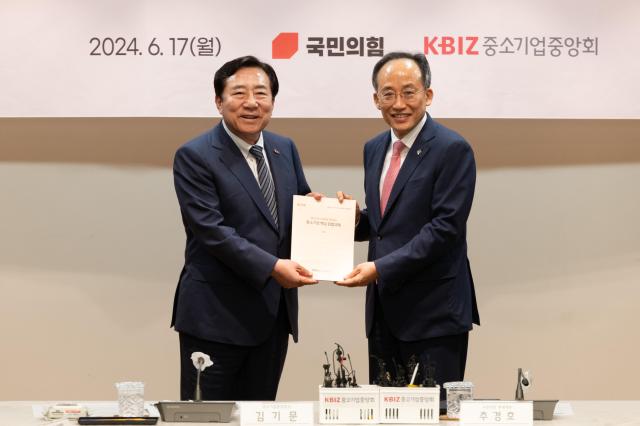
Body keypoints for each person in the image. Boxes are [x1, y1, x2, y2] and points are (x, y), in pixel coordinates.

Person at [171, 55, 317, 401]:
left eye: (261, 93)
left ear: (273, 102)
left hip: (272, 317)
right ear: (219, 101)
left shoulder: (284, 148)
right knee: (207, 420)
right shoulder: (195, 155)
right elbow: (212, 230)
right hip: (215, 318)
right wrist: (272, 266)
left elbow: (296, 209)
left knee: (260, 415)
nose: (251, 103)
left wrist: (327, 212)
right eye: (239, 93)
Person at [336, 52, 480, 396]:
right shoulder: (374, 148)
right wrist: (355, 218)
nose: (398, 103)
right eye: (388, 94)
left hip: (434, 314)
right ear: (376, 99)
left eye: (409, 92)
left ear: (428, 95)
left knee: (436, 414)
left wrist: (379, 268)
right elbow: (385, 223)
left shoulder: (452, 148)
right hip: (383, 314)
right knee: (384, 413)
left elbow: (444, 229)